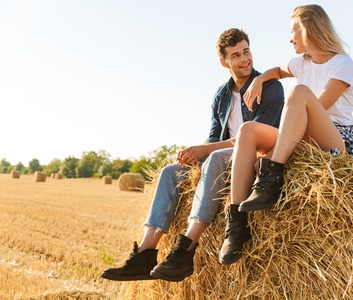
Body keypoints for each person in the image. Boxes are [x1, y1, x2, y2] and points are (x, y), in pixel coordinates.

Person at [100, 28, 284, 281]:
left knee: (216, 158)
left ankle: (186, 248)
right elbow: (213, 136)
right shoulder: (221, 94)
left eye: (246, 52)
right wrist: (193, 153)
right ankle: (144, 253)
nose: (244, 59)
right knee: (170, 172)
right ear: (224, 62)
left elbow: (254, 138)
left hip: (253, 156)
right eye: (236, 55)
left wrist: (206, 150)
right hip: (221, 152)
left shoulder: (270, 87)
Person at [219, 4, 353, 264]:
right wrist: (259, 80)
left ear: (309, 30)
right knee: (248, 130)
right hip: (300, 135)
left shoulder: (342, 64)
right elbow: (277, 71)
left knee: (299, 93)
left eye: (294, 31)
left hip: (334, 139)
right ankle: (236, 223)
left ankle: (270, 177)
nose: (290, 38)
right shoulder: (301, 62)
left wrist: (273, 150)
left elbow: (319, 107)